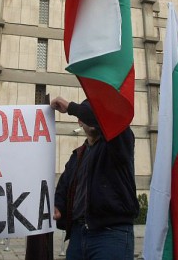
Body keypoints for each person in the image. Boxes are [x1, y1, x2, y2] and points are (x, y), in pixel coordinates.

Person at [51, 96, 139, 260]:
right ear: (80, 121)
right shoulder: (77, 156)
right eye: (88, 113)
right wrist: (58, 206)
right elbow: (64, 187)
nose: (92, 116)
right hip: (77, 236)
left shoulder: (118, 142)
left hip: (111, 234)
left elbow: (104, 117)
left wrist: (70, 107)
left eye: (96, 112)